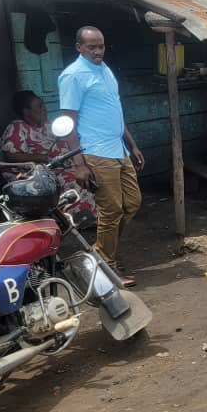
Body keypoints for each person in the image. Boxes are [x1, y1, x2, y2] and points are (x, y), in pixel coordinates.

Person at [58, 26, 142, 286]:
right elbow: (67, 122)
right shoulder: (73, 76)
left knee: (132, 203)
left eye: (100, 46)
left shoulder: (104, 70)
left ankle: (99, 254)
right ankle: (106, 265)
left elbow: (113, 110)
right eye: (91, 47)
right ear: (79, 47)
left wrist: (133, 144)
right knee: (111, 209)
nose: (97, 51)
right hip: (95, 151)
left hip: (119, 149)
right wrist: (78, 164)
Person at [1, 90, 98, 227]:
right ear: (27, 112)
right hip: (35, 173)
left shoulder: (47, 126)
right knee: (73, 179)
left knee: (93, 170)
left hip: (60, 165)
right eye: (39, 106)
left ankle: (100, 212)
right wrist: (41, 158)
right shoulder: (17, 128)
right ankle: (80, 218)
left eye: (43, 105)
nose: (44, 109)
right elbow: (10, 155)